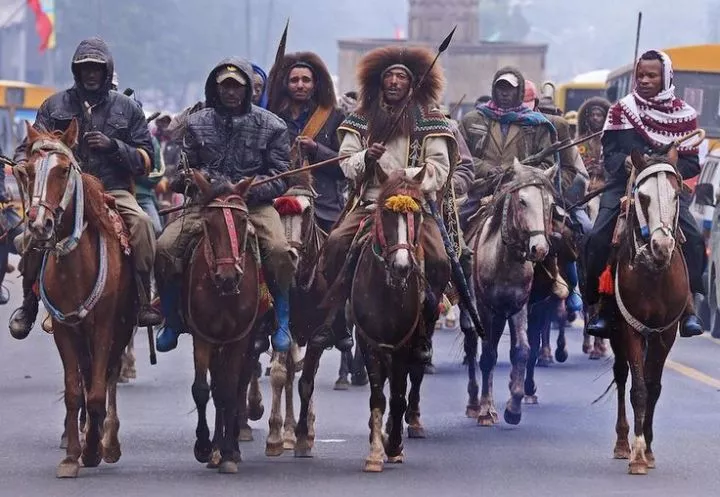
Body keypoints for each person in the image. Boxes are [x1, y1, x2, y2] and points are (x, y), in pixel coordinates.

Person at [8, 37, 162, 339]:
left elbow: (146, 159)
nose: (91, 73)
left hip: (112, 192)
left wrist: (114, 146)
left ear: (107, 71)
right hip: (64, 192)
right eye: (85, 68)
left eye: (97, 68)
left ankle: (144, 296)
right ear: (76, 71)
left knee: (144, 225)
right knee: (32, 234)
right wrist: (20, 163)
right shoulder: (54, 105)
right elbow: (28, 146)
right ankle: (29, 302)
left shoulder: (128, 108)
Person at [315, 45, 456, 361]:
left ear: (411, 83)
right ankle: (337, 313)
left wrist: (401, 177)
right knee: (336, 243)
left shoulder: (431, 119)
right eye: (389, 76)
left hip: (414, 206)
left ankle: (427, 318)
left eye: (400, 77)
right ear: (379, 82)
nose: (394, 82)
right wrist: (366, 157)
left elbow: (440, 168)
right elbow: (345, 162)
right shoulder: (361, 118)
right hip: (371, 204)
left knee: (439, 258)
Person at [153, 57, 296, 353]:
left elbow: (281, 176)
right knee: (164, 247)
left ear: (247, 89)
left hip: (253, 206)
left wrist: (248, 190)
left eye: (237, 87)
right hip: (205, 206)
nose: (231, 92)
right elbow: (180, 173)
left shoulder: (273, 126)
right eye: (225, 87)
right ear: (214, 89)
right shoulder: (195, 123)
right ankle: (170, 319)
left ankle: (282, 318)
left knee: (281, 251)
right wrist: (198, 181)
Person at [584, 50, 706, 338]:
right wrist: (628, 162)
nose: (645, 80)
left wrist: (666, 165)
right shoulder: (621, 110)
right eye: (641, 75)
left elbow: (691, 164)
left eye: (652, 75)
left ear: (666, 78)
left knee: (695, 240)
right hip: (625, 186)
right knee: (598, 236)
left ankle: (689, 308)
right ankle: (601, 306)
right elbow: (610, 155)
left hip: (665, 188)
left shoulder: (684, 115)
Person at [267, 52, 347, 234]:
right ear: (286, 85)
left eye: (306, 80)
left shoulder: (335, 116)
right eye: (294, 80)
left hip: (324, 206)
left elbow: (345, 166)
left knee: (340, 248)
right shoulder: (271, 118)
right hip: (279, 200)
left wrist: (316, 149)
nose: (300, 85)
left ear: (315, 84)